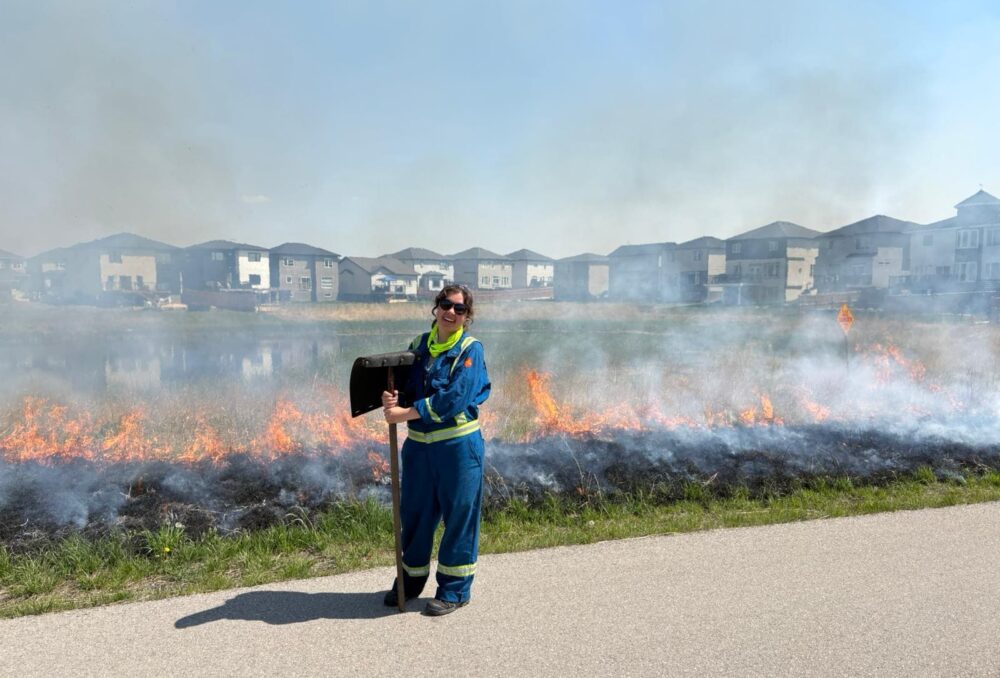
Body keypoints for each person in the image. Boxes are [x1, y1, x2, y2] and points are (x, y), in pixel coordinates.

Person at [381, 284, 491, 616]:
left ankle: (454, 590)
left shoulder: (470, 350)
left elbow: (454, 398)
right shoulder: (418, 345)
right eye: (446, 304)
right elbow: (404, 388)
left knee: (459, 517)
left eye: (459, 308)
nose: (451, 312)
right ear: (436, 307)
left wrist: (405, 413)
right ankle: (411, 581)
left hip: (458, 448)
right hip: (418, 448)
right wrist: (392, 398)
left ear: (467, 316)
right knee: (415, 516)